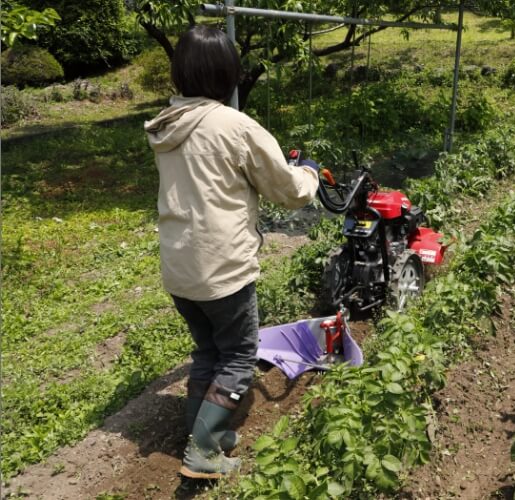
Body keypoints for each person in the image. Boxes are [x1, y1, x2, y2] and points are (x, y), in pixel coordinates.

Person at [144, 25, 319, 479]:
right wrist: (311, 174)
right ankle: (203, 451)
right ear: (228, 73)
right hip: (222, 268)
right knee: (239, 357)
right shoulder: (235, 126)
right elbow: (288, 191)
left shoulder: (166, 124)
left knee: (207, 353)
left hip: (179, 268)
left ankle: (207, 433)